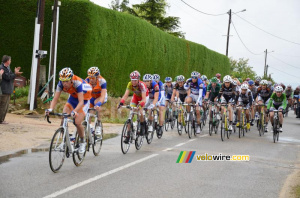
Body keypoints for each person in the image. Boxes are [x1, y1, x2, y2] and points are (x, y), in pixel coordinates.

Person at [45, 67, 92, 154]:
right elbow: (55, 98)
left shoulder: (77, 83)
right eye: (63, 81)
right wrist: (50, 109)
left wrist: (75, 111)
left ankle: (82, 142)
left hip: (84, 99)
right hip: (73, 99)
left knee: (77, 122)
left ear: (71, 79)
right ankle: (64, 141)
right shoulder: (60, 84)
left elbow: (81, 102)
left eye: (66, 81)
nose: (64, 83)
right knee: (63, 117)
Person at [118, 71, 148, 143]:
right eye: (132, 80)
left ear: (138, 79)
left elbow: (144, 98)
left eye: (135, 80)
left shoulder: (142, 85)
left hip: (143, 98)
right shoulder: (129, 84)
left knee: (140, 111)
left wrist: (140, 105)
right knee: (131, 114)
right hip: (135, 97)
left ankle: (142, 125)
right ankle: (128, 135)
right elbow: (126, 95)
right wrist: (121, 102)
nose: (133, 82)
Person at [0, 55, 22, 124]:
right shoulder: (2, 68)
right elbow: (8, 77)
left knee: (6, 106)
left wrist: (15, 73)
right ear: (7, 61)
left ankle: (2, 119)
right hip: (4, 90)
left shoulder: (8, 67)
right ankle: (1, 120)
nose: (10, 61)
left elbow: (10, 75)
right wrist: (15, 74)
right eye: (10, 60)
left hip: (8, 89)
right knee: (3, 106)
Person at [85, 67, 107, 135]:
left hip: (101, 96)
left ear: (97, 77)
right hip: (92, 97)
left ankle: (98, 125)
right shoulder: (86, 80)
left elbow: (103, 95)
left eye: (93, 78)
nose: (91, 79)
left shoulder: (102, 81)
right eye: (90, 77)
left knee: (96, 104)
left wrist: (99, 104)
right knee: (89, 113)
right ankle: (89, 127)